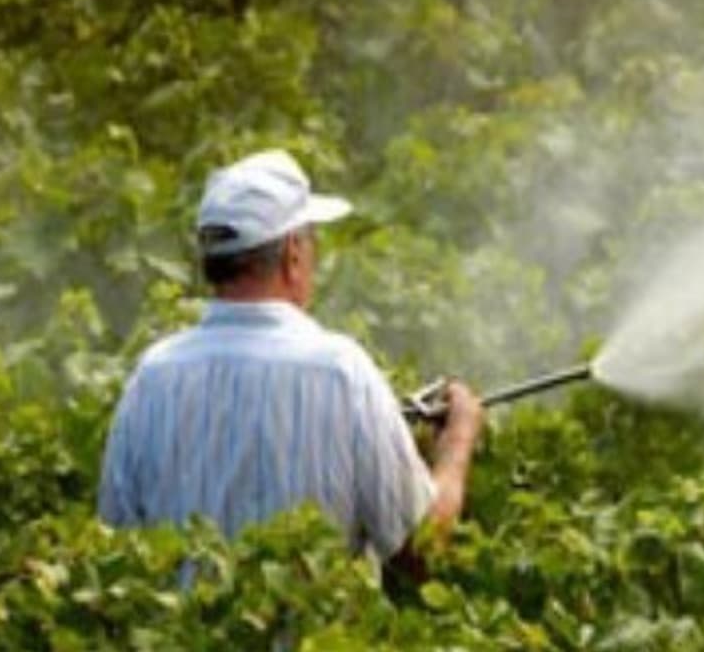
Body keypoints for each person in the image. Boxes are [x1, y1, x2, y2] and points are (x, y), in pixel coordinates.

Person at [97, 148, 484, 574]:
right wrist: (457, 440)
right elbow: (422, 550)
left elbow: (115, 554)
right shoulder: (342, 372)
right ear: (292, 254)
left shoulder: (150, 378)